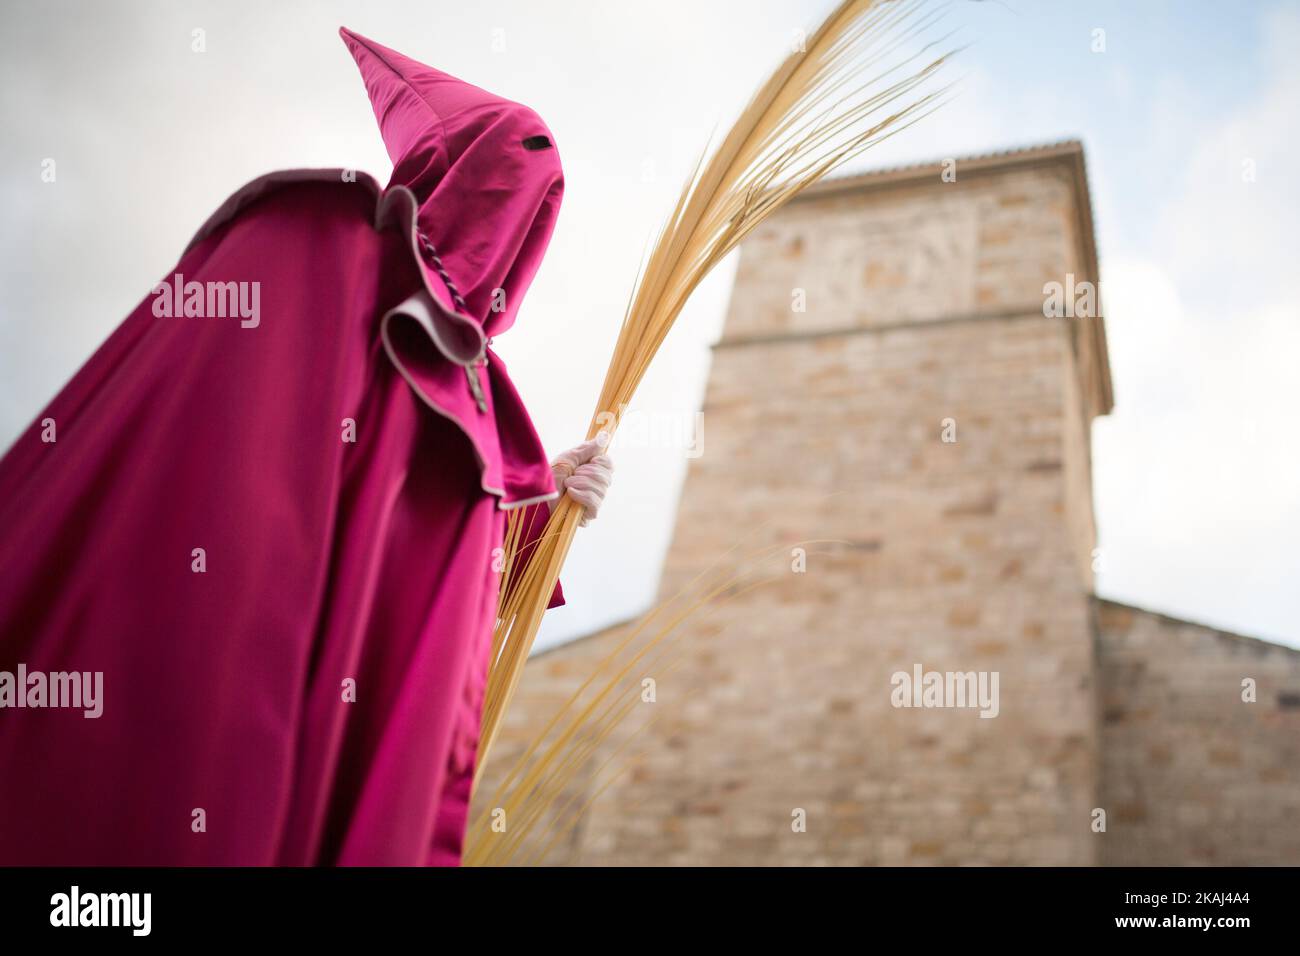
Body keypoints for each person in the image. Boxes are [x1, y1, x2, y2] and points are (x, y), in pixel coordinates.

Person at [0, 26, 610, 866]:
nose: (525, 219)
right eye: (518, 173)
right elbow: (257, 483)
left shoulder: (478, 394)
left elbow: (404, 562)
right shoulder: (324, 247)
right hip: (215, 686)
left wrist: (539, 507)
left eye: (545, 204)